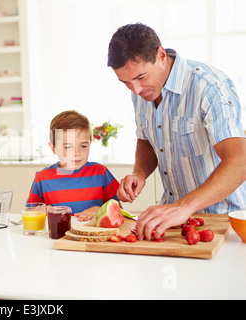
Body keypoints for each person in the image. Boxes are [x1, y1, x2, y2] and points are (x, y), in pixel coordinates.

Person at [107, 23, 246, 240]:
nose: (135, 90)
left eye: (141, 77)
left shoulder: (209, 87)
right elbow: (147, 140)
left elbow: (240, 161)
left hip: (223, 222)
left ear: (161, 55)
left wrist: (183, 207)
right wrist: (140, 173)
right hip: (174, 222)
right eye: (125, 82)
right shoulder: (141, 93)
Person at [27, 110, 120, 221]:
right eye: (68, 147)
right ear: (53, 148)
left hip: (95, 235)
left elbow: (118, 208)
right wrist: (41, 211)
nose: (77, 153)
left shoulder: (100, 172)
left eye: (83, 146)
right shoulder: (42, 178)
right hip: (57, 237)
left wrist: (100, 210)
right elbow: (29, 212)